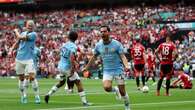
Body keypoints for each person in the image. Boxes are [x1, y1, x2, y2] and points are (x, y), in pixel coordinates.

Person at [83, 26, 130, 110]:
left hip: (118, 69)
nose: (102, 33)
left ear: (109, 32)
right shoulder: (98, 45)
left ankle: (127, 106)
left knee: (123, 92)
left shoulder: (116, 44)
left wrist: (126, 65)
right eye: (101, 32)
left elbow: (122, 56)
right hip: (107, 70)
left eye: (104, 31)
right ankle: (115, 90)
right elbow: (93, 57)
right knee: (107, 88)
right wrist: (86, 67)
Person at [44, 31, 91, 106]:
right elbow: (72, 57)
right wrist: (73, 68)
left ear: (69, 37)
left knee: (61, 82)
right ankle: (84, 102)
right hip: (67, 67)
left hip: (60, 66)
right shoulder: (73, 46)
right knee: (78, 83)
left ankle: (48, 94)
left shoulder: (65, 44)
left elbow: (65, 54)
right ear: (76, 38)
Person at [11, 20, 40, 104]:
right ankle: (23, 96)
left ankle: (37, 96)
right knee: (21, 78)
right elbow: (18, 42)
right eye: (29, 25)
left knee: (32, 77)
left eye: (31, 25)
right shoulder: (23, 33)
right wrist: (12, 49)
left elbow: (20, 38)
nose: (30, 26)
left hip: (29, 59)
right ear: (26, 26)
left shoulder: (34, 34)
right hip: (19, 58)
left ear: (34, 26)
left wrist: (16, 31)